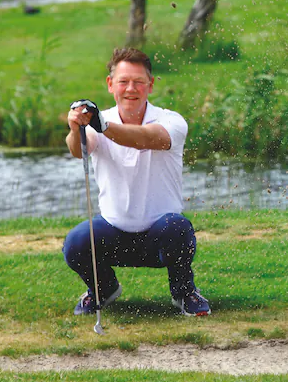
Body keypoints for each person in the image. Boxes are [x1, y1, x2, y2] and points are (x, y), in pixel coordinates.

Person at [63, 47, 211, 316]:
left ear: (151, 85)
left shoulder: (171, 120)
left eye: (138, 82)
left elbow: (145, 138)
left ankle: (184, 292)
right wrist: (77, 129)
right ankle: (103, 289)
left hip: (160, 235)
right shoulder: (99, 122)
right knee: (76, 242)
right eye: (123, 81)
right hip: (113, 232)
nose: (130, 88)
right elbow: (78, 149)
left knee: (177, 228)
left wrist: (102, 125)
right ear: (111, 85)